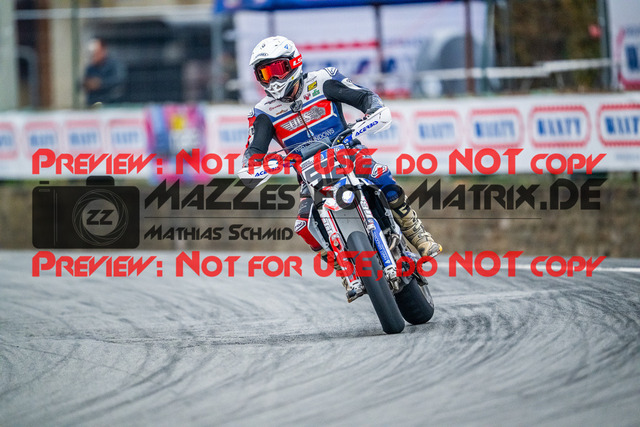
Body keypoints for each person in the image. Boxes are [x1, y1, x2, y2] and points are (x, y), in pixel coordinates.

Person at [243, 36, 442, 296]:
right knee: (304, 226)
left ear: (294, 62)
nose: (274, 80)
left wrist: (373, 110)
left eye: (277, 69)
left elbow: (364, 96)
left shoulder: (323, 80)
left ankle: (415, 231)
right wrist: (254, 165)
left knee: (381, 175)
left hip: (347, 153)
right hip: (310, 175)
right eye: (265, 74)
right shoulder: (263, 112)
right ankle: (341, 267)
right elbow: (253, 150)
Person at [82, 38, 127, 107]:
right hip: (94, 104)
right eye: (91, 53)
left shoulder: (114, 65)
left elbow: (119, 79)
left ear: (103, 51)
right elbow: (82, 83)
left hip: (112, 104)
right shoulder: (90, 68)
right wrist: (87, 84)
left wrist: (100, 83)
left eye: (96, 52)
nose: (93, 55)